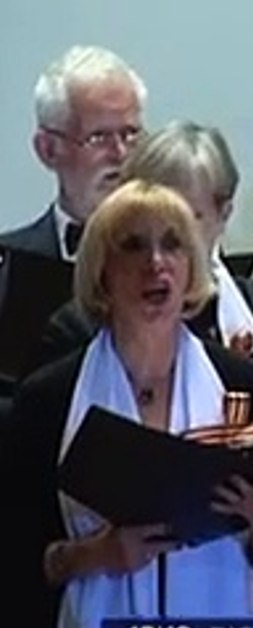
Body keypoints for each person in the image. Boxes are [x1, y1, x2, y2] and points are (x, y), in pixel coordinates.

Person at [3, 180, 253, 628]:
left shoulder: (246, 384)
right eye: (133, 245)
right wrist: (89, 555)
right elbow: (14, 557)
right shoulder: (48, 398)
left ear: (192, 266)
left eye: (173, 244)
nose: (156, 262)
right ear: (101, 271)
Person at [33, 121, 253, 372]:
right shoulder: (78, 332)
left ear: (224, 214)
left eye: (185, 219)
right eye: (145, 225)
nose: (159, 254)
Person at [0, 45, 146, 443]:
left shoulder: (176, 269)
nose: (120, 154)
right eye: (99, 137)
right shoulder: (7, 267)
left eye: (131, 134)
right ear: (48, 149)